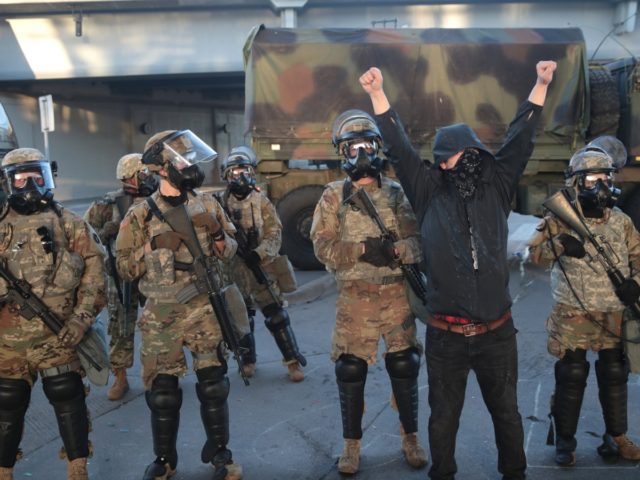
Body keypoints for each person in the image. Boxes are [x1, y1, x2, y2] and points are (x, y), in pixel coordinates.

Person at [360, 61, 556, 480]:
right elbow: (399, 148)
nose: (450, 166)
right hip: (446, 336)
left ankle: (514, 473)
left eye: (455, 158)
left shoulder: (498, 185)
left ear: (474, 154)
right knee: (443, 418)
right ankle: (442, 474)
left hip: (496, 334)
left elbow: (522, 137)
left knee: (506, 412)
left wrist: (539, 84)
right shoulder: (428, 191)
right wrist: (378, 95)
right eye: (444, 161)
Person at [115, 130, 243, 480]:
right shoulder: (140, 215)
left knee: (213, 384)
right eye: (182, 160)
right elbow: (124, 268)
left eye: (189, 159)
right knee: (162, 392)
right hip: (161, 316)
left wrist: (217, 233)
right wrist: (154, 247)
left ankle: (220, 454)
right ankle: (164, 460)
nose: (190, 166)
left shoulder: (208, 204)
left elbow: (231, 252)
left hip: (205, 310)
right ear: (161, 169)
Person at [310, 109, 428, 475]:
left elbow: (418, 241)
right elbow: (321, 246)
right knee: (350, 369)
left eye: (367, 146)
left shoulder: (396, 194)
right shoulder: (333, 196)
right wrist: (362, 250)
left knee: (404, 365)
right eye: (352, 148)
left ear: (378, 149)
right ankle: (352, 446)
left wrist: (396, 251)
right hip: (355, 297)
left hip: (395, 296)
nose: (361, 155)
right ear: (342, 154)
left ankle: (411, 438)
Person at [527, 138, 640, 465]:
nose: (601, 186)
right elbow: (535, 254)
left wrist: (635, 284)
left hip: (613, 313)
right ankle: (565, 440)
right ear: (577, 184)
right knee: (571, 374)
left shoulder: (621, 221)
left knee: (614, 373)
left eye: (606, 179)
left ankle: (615, 437)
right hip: (573, 313)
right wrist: (561, 243)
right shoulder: (560, 218)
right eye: (592, 181)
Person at [0, 148, 106, 480]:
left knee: (68, 396)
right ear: (8, 183)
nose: (30, 185)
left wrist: (82, 319)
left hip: (60, 334)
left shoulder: (71, 224)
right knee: (7, 403)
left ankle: (77, 467)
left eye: (37, 175)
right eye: (21, 178)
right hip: (7, 342)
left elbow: (96, 275)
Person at [217, 145, 307, 382]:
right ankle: (248, 361)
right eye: (235, 173)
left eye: (245, 171)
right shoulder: (219, 204)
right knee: (241, 316)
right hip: (234, 270)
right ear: (226, 176)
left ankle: (293, 361)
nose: (241, 177)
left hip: (261, 267)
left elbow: (275, 233)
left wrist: (259, 253)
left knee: (276, 316)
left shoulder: (261, 201)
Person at [84, 153, 158, 400]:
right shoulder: (107, 204)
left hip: (155, 273)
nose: (149, 177)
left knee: (157, 326)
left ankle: (157, 375)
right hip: (121, 274)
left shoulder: (159, 200)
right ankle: (121, 378)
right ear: (130, 177)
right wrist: (107, 231)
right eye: (144, 173)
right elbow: (85, 236)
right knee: (120, 327)